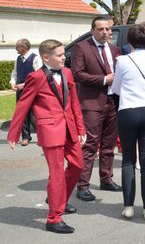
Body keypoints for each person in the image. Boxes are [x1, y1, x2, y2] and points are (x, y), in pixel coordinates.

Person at [7, 39, 86, 233]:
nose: (64, 57)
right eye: (59, 55)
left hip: (69, 129)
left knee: (78, 165)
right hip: (50, 130)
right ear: (46, 57)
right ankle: (53, 218)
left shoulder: (67, 73)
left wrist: (81, 129)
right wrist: (14, 133)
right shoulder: (36, 77)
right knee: (57, 174)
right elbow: (23, 105)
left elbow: (74, 103)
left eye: (63, 54)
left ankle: (57, 199)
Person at [111, 25, 145, 221]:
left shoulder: (122, 61)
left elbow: (115, 89)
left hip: (128, 111)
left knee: (128, 160)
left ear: (130, 41)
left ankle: (129, 207)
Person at [72, 15, 122, 201]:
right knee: (90, 145)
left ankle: (106, 179)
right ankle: (82, 185)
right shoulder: (82, 47)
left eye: (108, 29)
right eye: (100, 29)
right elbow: (77, 74)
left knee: (109, 145)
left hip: (113, 103)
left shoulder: (115, 49)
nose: (105, 32)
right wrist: (103, 80)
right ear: (93, 30)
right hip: (92, 103)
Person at [9, 38, 42, 146]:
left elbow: (39, 76)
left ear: (23, 48)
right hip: (20, 90)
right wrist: (13, 83)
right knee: (22, 113)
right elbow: (15, 73)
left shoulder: (35, 59)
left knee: (36, 114)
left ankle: (42, 136)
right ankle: (25, 137)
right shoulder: (18, 59)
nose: (16, 49)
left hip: (33, 90)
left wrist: (24, 85)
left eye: (17, 46)